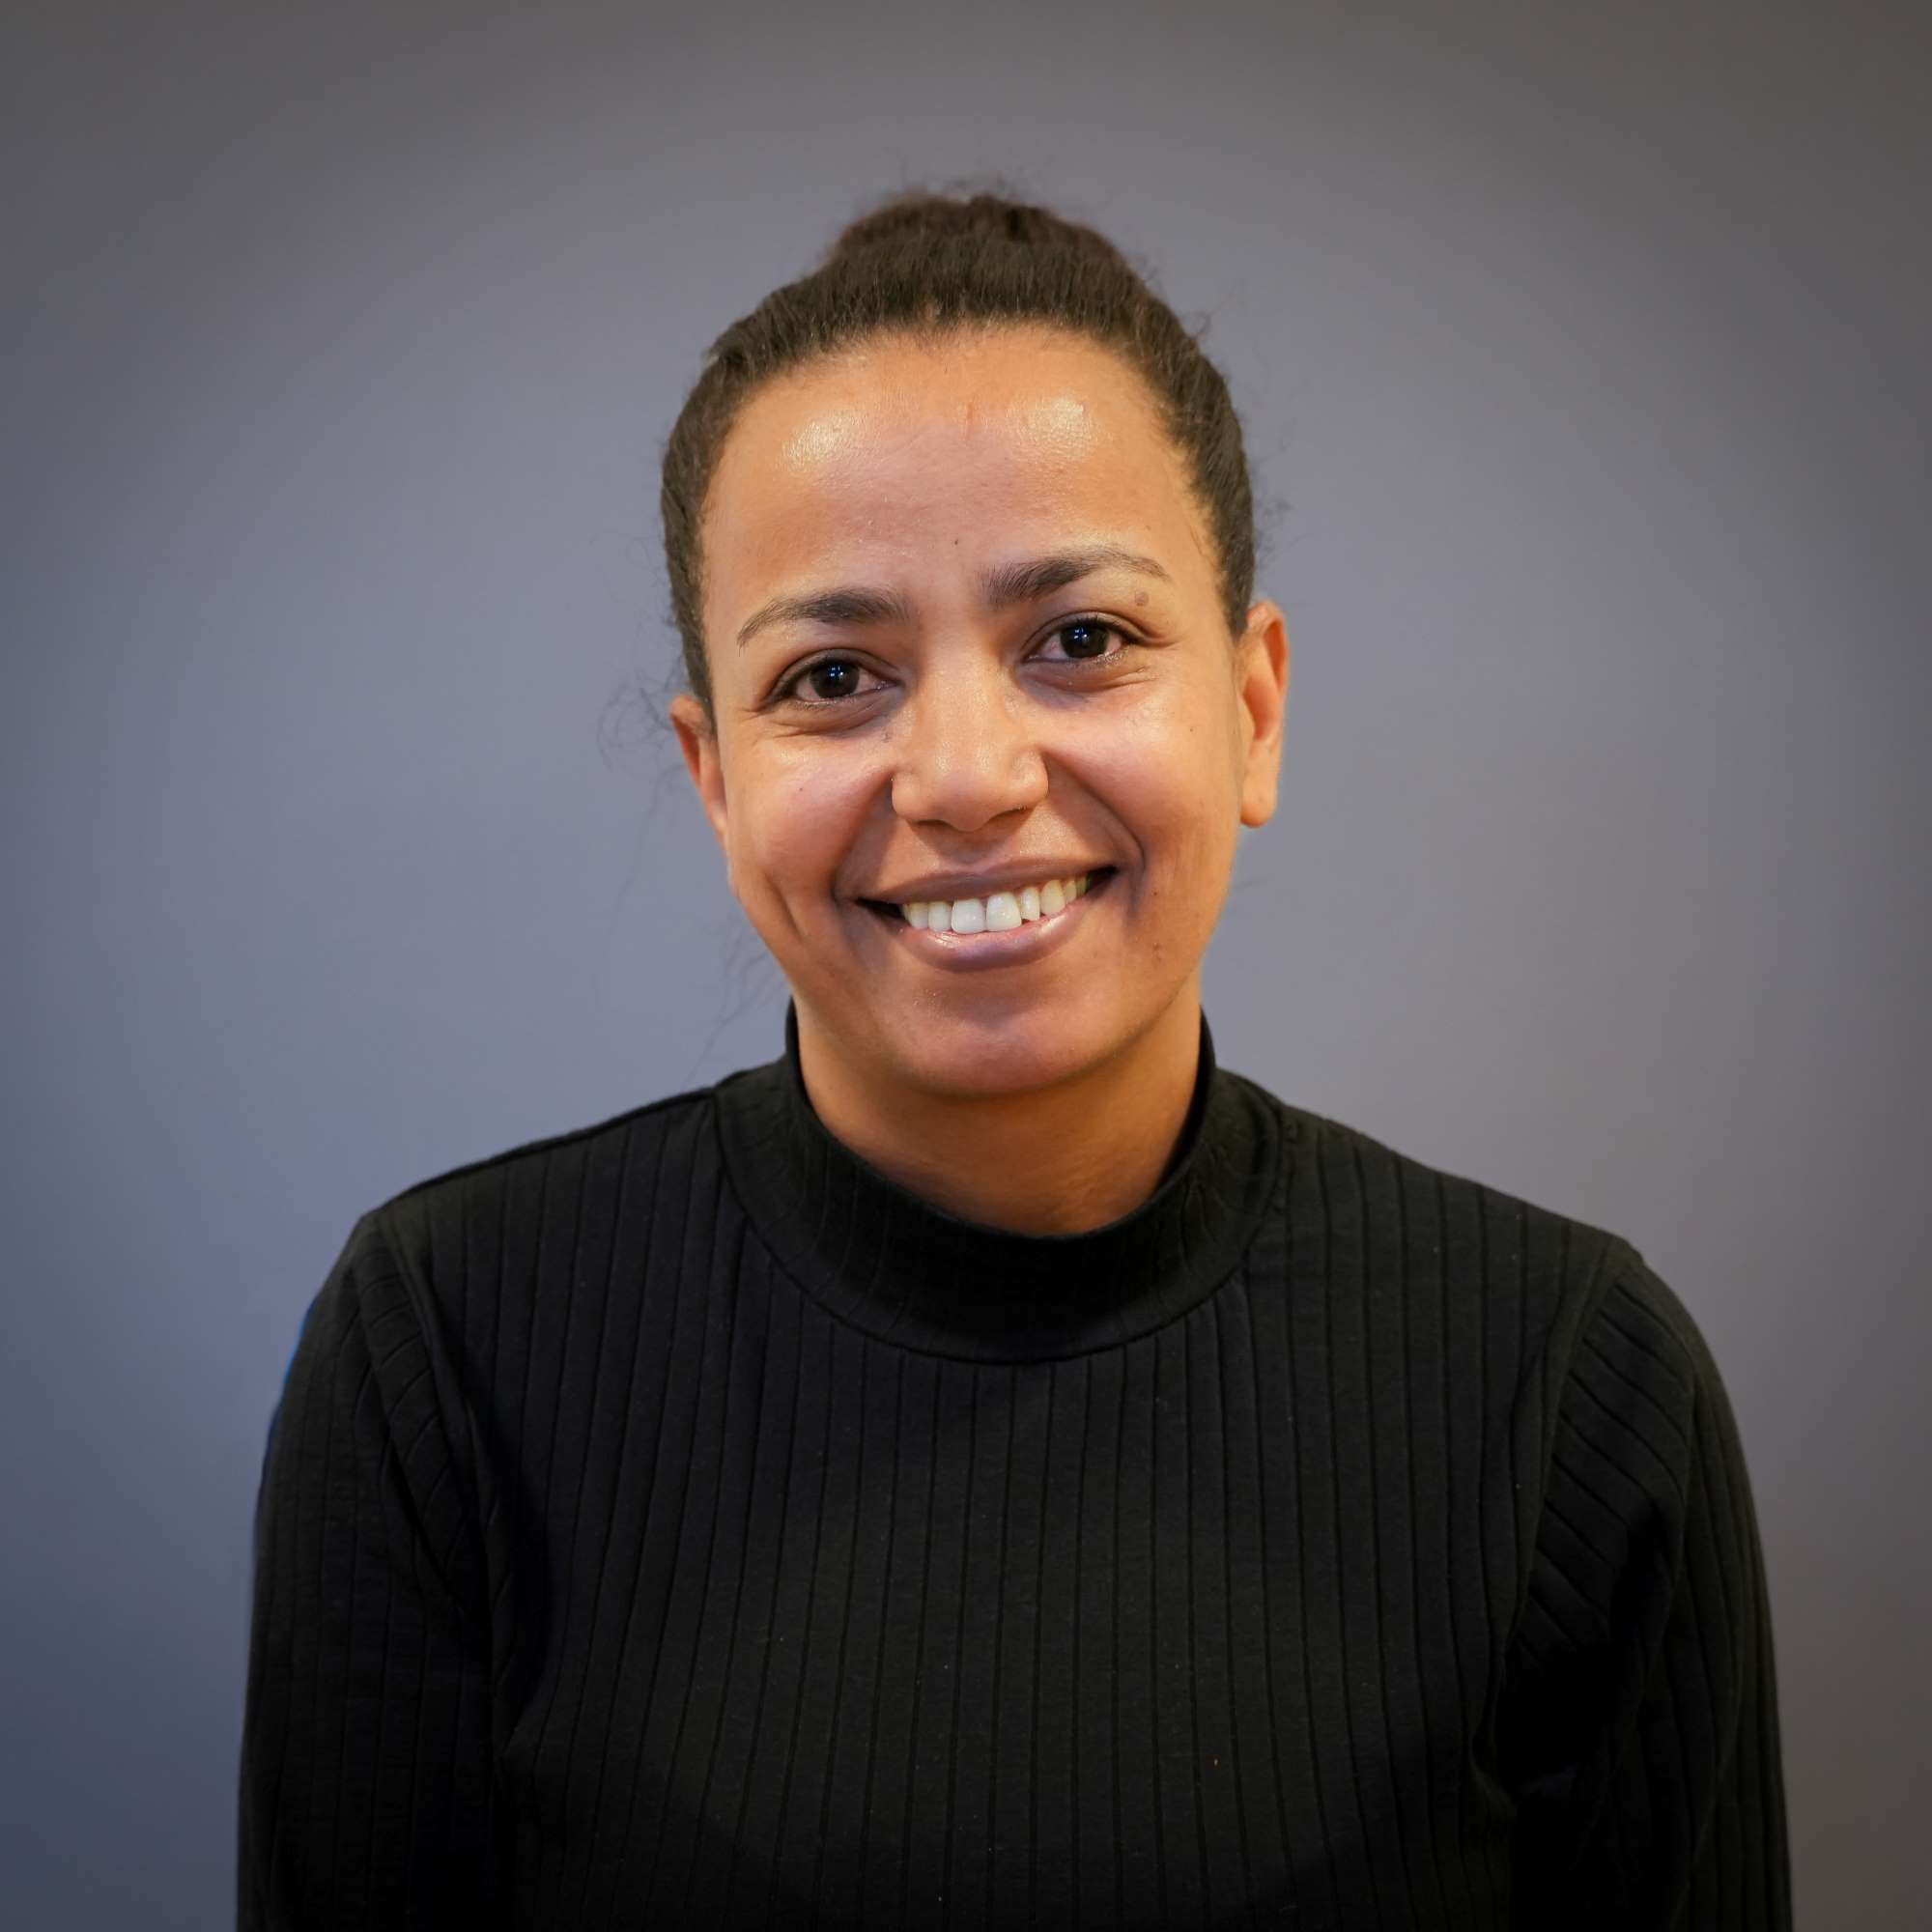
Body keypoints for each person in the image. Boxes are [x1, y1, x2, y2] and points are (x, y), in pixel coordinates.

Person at [238, 188, 1792, 1929]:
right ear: (715, 779)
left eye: (1081, 642)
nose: (969, 777)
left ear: (1253, 706)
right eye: (836, 673)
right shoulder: (450, 1357)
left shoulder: (1571, 1391)